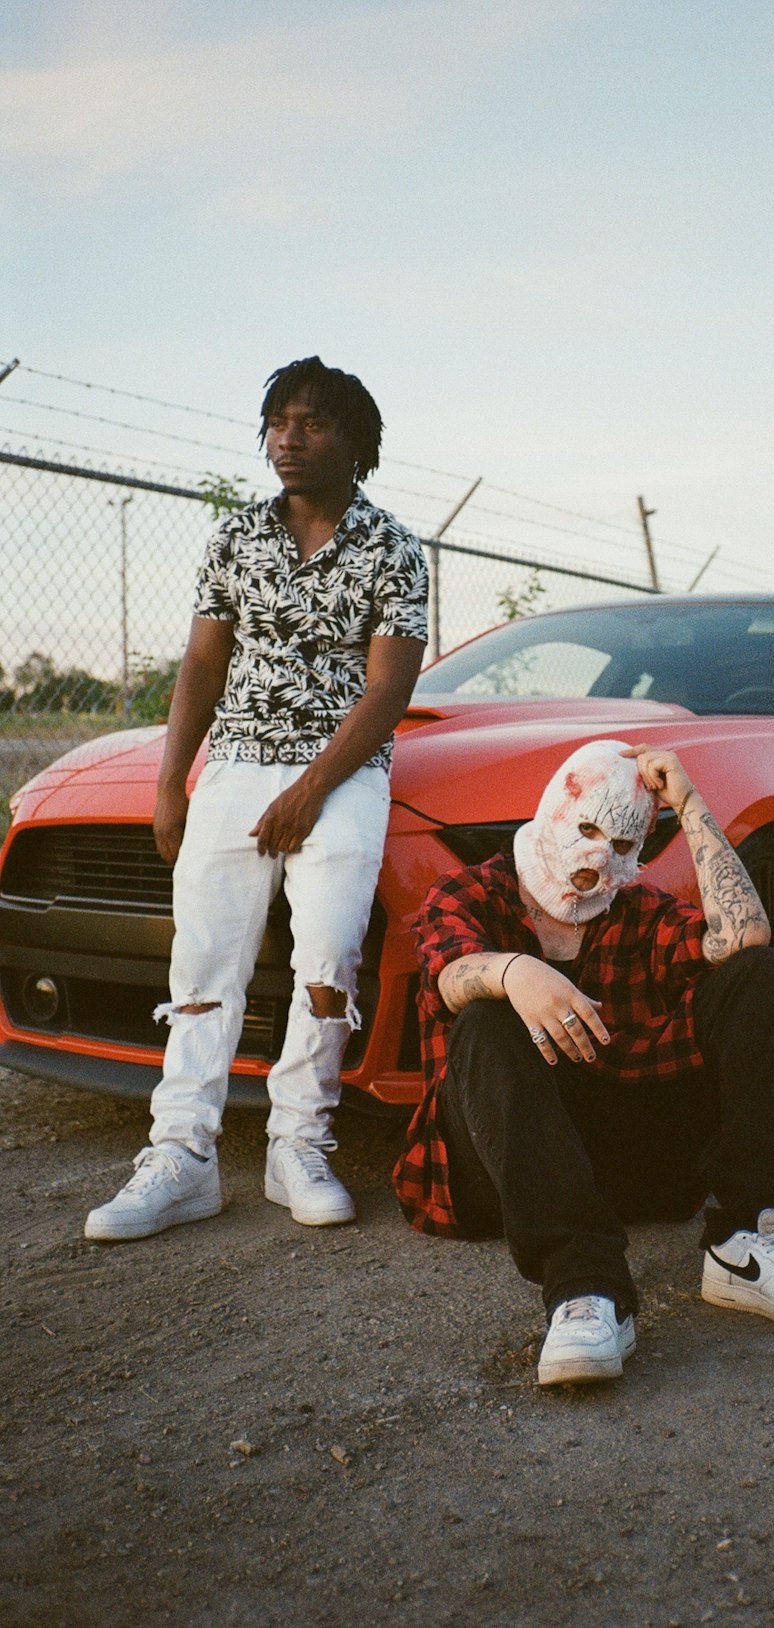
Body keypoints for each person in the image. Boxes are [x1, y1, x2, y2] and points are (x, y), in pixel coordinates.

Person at [86, 357, 429, 1242]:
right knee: (202, 965)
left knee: (327, 961)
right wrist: (172, 782)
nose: (288, 437)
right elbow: (203, 665)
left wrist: (312, 791)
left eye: (311, 422)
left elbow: (388, 690)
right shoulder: (235, 539)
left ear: (356, 440)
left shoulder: (392, 546)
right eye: (278, 421)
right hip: (234, 765)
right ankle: (183, 1155)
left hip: (346, 774)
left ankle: (297, 1144)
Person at [394, 738, 774, 1386]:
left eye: (619, 846)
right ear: (553, 808)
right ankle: (586, 1291)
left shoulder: (635, 913)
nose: (595, 860)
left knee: (764, 975)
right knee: (485, 1014)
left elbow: (746, 936)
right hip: (503, 1166)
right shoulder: (472, 892)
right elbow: (447, 974)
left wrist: (691, 804)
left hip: (632, 1160)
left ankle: (748, 1243)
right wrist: (514, 971)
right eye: (585, 827)